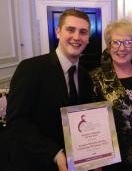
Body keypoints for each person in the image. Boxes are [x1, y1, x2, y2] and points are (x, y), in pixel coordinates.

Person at [5, 9, 96, 171]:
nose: (76, 37)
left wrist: (95, 154)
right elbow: (17, 121)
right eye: (70, 30)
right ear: (58, 32)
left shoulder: (85, 76)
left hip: (74, 165)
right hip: (37, 163)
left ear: (88, 38)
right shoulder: (31, 68)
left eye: (83, 32)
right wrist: (55, 153)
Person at [91, 19, 132, 171]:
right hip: (112, 161)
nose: (122, 48)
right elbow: (90, 125)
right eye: (116, 42)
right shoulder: (96, 79)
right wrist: (95, 163)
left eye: (128, 42)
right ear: (109, 47)